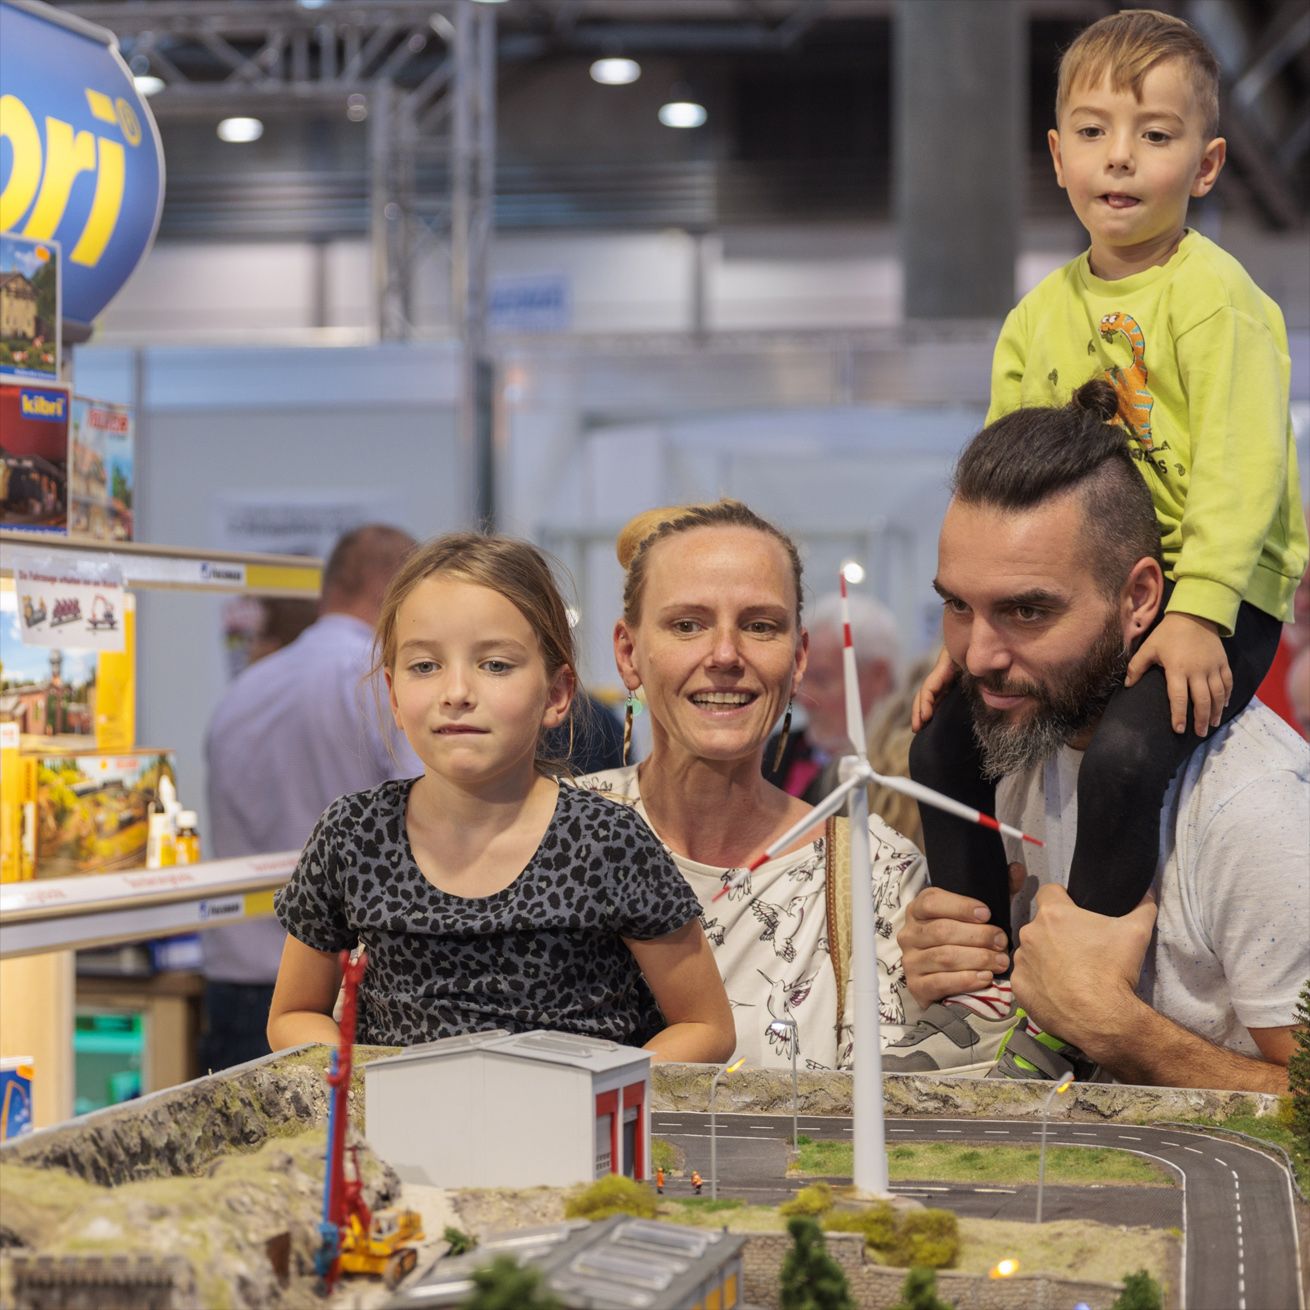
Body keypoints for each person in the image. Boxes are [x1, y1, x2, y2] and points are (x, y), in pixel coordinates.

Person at [902, 8, 1307, 1074]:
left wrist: (1197, 607)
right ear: (1055, 154)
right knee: (940, 736)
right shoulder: (1036, 316)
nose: (1118, 157)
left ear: (1208, 163)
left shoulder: (1220, 303)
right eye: (1090, 132)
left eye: (1155, 135)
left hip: (1222, 583)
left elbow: (1239, 471)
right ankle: (978, 983)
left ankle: (1068, 993)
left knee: (1131, 750)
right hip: (1101, 577)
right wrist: (970, 635)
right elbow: (1006, 478)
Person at [893, 383, 1308, 1091]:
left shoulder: (1254, 810)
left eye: (1027, 610)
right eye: (958, 605)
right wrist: (949, 962)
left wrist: (1119, 1031)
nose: (981, 654)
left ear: (1140, 599)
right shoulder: (1020, 741)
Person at [267, 532, 735, 1060]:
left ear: (557, 694)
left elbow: (705, 1027)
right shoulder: (353, 835)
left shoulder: (607, 842)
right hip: (398, 1134)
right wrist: (357, 1080)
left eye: (495, 665)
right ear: (394, 695)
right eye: (425, 666)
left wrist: (591, 1097)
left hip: (574, 1136)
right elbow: (294, 1014)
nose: (457, 692)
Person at [579, 500, 926, 1072]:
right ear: (628, 653)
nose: (724, 655)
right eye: (686, 624)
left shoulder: (875, 876)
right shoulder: (553, 834)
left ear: (797, 660)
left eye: (760, 626)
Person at [200, 524, 420, 1071]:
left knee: (249, 1154)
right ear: (387, 586)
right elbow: (434, 808)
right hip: (333, 989)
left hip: (235, 973)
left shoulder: (245, 690)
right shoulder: (377, 682)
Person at [764, 591, 901, 804]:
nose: (804, 699)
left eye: (821, 679)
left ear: (878, 676)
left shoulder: (905, 768)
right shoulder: (778, 752)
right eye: (799, 678)